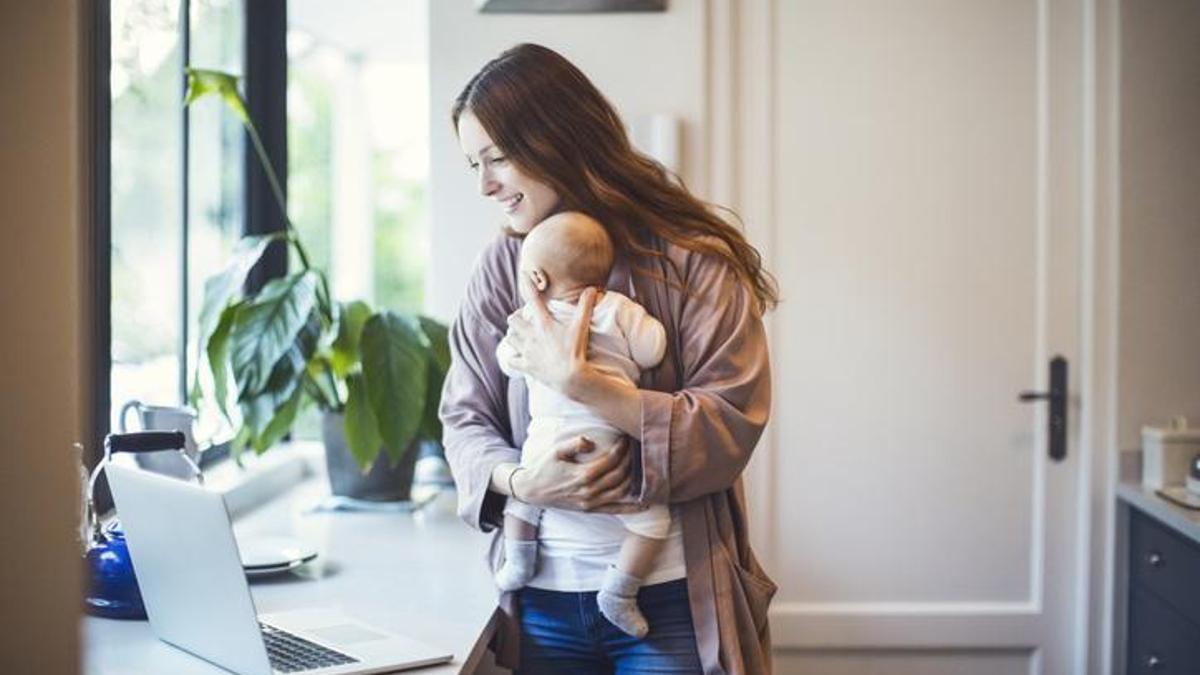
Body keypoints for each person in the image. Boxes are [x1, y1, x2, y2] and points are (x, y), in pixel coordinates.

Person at [440, 42, 778, 674]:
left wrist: (584, 384)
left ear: (557, 141)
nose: (485, 185)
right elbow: (463, 417)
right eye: (473, 165)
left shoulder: (694, 262)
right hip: (540, 598)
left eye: (498, 158)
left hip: (673, 598)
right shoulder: (501, 267)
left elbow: (731, 421)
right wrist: (522, 482)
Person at [493, 211, 671, 640]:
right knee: (654, 522)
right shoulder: (619, 310)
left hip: (547, 444)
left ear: (535, 277)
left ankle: (518, 558)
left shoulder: (528, 320)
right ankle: (620, 591)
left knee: (524, 492)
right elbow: (653, 350)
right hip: (609, 445)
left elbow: (507, 361)